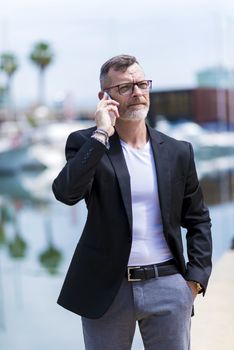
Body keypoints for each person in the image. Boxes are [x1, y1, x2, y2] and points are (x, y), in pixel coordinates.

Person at [52, 54, 212, 350]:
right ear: (105, 97)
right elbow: (66, 193)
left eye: (142, 84)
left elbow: (198, 218)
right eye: (125, 87)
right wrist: (101, 134)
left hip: (168, 283)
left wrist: (195, 280)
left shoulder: (177, 151)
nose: (137, 93)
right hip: (106, 290)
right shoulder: (86, 143)